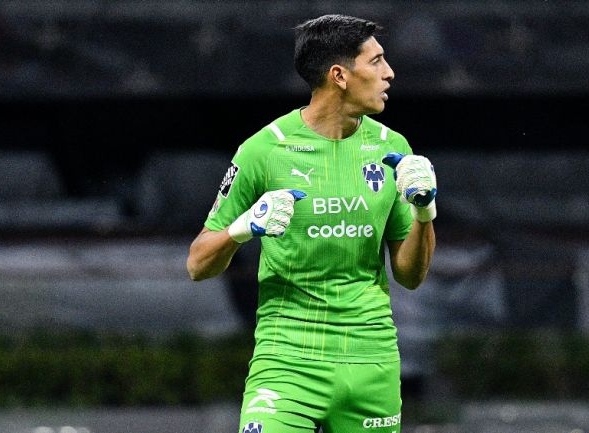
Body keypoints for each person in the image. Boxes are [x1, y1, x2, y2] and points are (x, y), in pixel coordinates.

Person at [187, 14, 437, 433]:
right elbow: (198, 264)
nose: (389, 73)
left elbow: (410, 276)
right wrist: (241, 229)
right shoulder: (264, 150)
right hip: (287, 362)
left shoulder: (392, 148)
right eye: (376, 61)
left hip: (370, 361)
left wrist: (424, 211)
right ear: (339, 75)